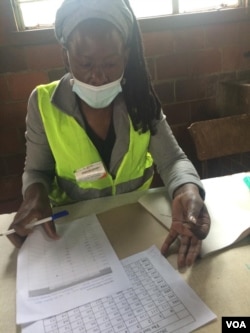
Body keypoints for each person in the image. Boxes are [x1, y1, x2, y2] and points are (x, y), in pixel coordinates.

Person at [7, 0, 210, 269]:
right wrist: (34, 196)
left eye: (111, 63)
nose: (98, 76)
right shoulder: (43, 103)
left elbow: (173, 161)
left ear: (125, 55)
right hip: (73, 237)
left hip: (135, 227)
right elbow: (36, 172)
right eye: (86, 63)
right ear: (66, 54)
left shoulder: (140, 99)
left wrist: (187, 189)